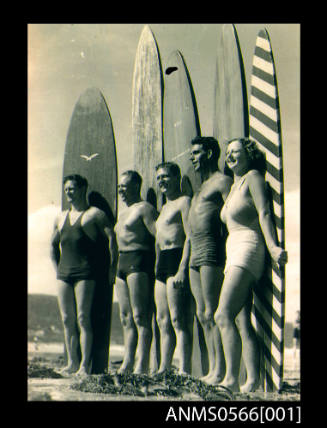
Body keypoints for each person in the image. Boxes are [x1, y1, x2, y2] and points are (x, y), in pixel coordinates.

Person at [215, 137, 288, 392]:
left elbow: (264, 212)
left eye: (236, 152)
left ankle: (231, 380)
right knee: (241, 321)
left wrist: (273, 246)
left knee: (221, 314)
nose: (230, 156)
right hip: (233, 250)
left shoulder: (253, 177)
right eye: (228, 153)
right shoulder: (234, 185)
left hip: (248, 246)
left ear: (248, 155)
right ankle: (252, 381)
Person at [50, 174, 118, 376]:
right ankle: (72, 363)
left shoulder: (95, 214)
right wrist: (57, 270)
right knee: (66, 319)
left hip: (86, 273)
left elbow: (112, 239)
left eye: (71, 188)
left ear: (82, 189)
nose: (68, 192)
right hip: (64, 274)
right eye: (66, 189)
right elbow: (53, 246)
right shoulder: (60, 217)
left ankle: (85, 366)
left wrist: (112, 269)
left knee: (82, 317)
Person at [188, 136, 233, 384]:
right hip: (195, 249)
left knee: (211, 310)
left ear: (209, 153)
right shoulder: (200, 187)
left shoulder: (222, 182)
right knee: (201, 313)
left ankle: (219, 370)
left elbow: (232, 213)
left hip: (211, 247)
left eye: (196, 153)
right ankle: (213, 369)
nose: (192, 157)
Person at [114, 170, 158, 374]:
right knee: (125, 316)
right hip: (122, 263)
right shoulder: (123, 212)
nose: (120, 190)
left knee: (141, 316)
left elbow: (158, 238)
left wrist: (156, 266)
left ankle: (142, 364)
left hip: (139, 260)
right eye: (119, 186)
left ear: (136, 186)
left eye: (124, 186)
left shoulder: (145, 209)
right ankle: (127, 362)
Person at [154, 162, 193, 375]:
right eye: (159, 177)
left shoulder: (183, 202)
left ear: (177, 177)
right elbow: (158, 242)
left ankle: (184, 369)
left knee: (178, 319)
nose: (162, 180)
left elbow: (189, 236)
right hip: (162, 265)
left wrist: (182, 269)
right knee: (163, 320)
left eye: (166, 176)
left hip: (177, 258)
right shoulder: (164, 208)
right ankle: (164, 367)